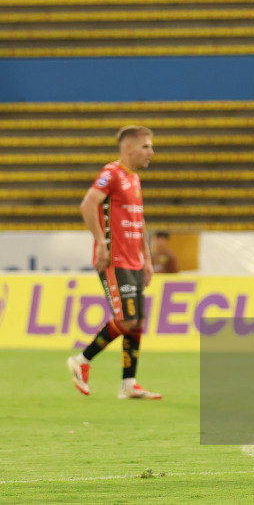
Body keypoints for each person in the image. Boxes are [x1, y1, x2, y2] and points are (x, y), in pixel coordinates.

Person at [67, 125, 162, 400]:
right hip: (115, 260)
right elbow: (88, 205)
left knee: (137, 321)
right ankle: (82, 360)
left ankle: (128, 384)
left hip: (134, 260)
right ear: (129, 149)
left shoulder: (134, 179)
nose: (151, 152)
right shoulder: (111, 173)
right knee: (127, 320)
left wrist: (146, 259)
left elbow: (138, 221)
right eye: (146, 146)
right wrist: (101, 243)